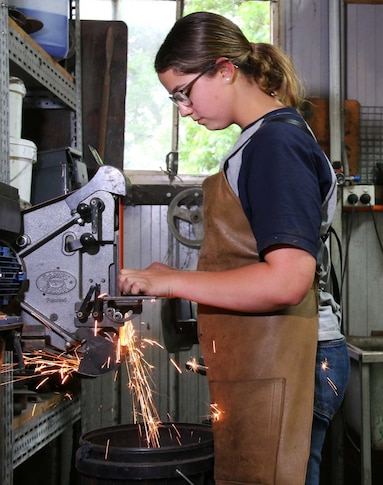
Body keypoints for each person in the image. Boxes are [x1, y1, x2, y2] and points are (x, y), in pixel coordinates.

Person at [117, 11, 348, 485]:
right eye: (173, 98)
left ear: (224, 69)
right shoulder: (257, 141)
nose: (183, 109)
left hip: (294, 357)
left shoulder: (276, 144)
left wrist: (172, 281)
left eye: (184, 92)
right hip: (270, 356)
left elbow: (287, 280)